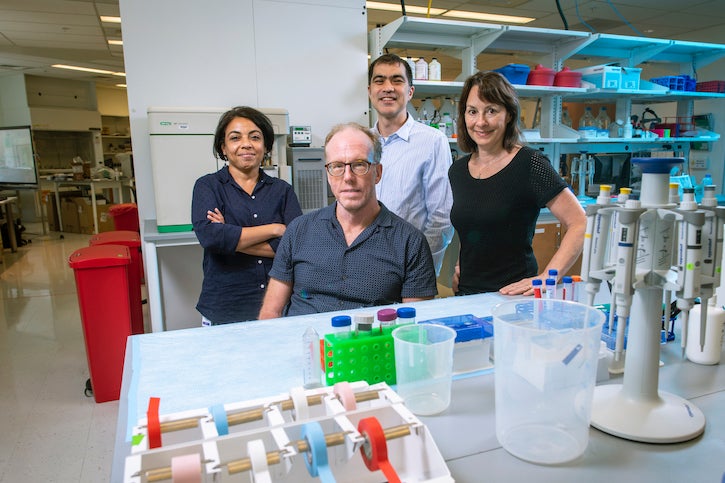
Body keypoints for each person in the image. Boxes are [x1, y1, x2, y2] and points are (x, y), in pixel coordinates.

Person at [258, 122, 437, 318]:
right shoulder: (298, 231)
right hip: (303, 336)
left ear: (377, 173)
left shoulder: (410, 242)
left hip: (370, 338)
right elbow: (271, 312)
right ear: (328, 174)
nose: (348, 177)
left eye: (359, 165)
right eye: (337, 166)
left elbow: (413, 326)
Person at [449, 71, 586, 296]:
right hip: (467, 293)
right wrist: (460, 265)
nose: (481, 122)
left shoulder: (529, 163)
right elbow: (473, 227)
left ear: (509, 115)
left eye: (491, 111)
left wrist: (548, 277)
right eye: (472, 111)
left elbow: (579, 222)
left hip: (513, 296)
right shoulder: (458, 171)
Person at [192, 106, 302, 325]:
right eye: (235, 138)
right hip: (225, 307)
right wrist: (274, 229)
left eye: (255, 137)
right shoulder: (208, 186)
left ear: (266, 146)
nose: (246, 144)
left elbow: (294, 247)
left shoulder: (282, 190)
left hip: (277, 305)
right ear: (223, 148)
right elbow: (211, 237)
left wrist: (230, 237)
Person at [368, 53, 454, 275]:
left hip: (410, 269)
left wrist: (419, 268)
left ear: (410, 92)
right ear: (370, 91)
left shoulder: (433, 141)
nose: (388, 88)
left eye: (397, 80)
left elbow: (442, 218)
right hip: (365, 264)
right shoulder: (362, 142)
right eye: (379, 81)